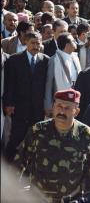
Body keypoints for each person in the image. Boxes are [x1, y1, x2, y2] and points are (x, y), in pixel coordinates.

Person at [13, 89, 90, 202]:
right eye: (59, 106)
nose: (62, 111)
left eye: (67, 108)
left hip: (71, 200)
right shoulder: (37, 131)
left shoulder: (88, 136)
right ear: (53, 107)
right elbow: (18, 163)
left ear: (76, 111)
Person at [3, 32, 49, 161]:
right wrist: (9, 104)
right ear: (26, 43)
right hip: (19, 107)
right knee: (16, 137)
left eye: (38, 43)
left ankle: (29, 166)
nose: (35, 46)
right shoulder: (14, 59)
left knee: (36, 138)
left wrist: (47, 106)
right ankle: (8, 165)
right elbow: (9, 84)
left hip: (37, 108)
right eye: (32, 43)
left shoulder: (46, 60)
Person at [44, 32, 82, 115]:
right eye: (73, 41)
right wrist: (48, 105)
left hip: (75, 99)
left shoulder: (75, 57)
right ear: (67, 44)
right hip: (60, 102)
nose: (76, 42)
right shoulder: (54, 60)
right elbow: (49, 83)